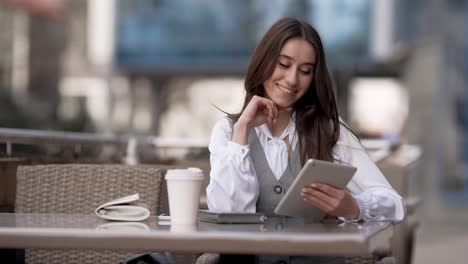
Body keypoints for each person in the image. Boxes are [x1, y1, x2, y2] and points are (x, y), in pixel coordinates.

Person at [206, 17, 406, 264]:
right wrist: (242, 131)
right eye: (283, 64)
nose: (292, 79)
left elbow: (394, 204)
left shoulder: (331, 131)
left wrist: (353, 206)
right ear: (263, 61)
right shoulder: (228, 132)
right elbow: (227, 217)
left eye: (305, 71)